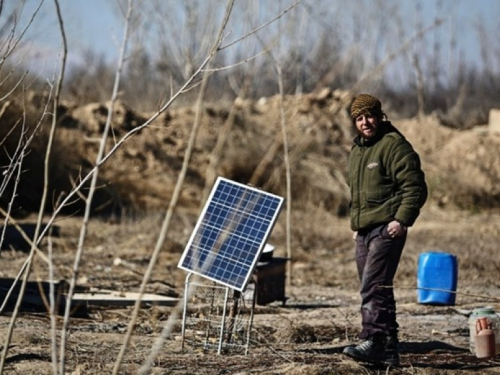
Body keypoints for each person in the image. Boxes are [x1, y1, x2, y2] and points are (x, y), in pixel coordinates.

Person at [342, 94, 428, 366]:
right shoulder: (357, 151)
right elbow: (357, 192)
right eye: (359, 118)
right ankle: (389, 351)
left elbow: (415, 187)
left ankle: (373, 340)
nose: (365, 122)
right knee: (379, 288)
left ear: (379, 116)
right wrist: (356, 225)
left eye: (369, 116)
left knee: (373, 286)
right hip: (364, 231)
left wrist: (401, 220)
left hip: (386, 229)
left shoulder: (394, 146)